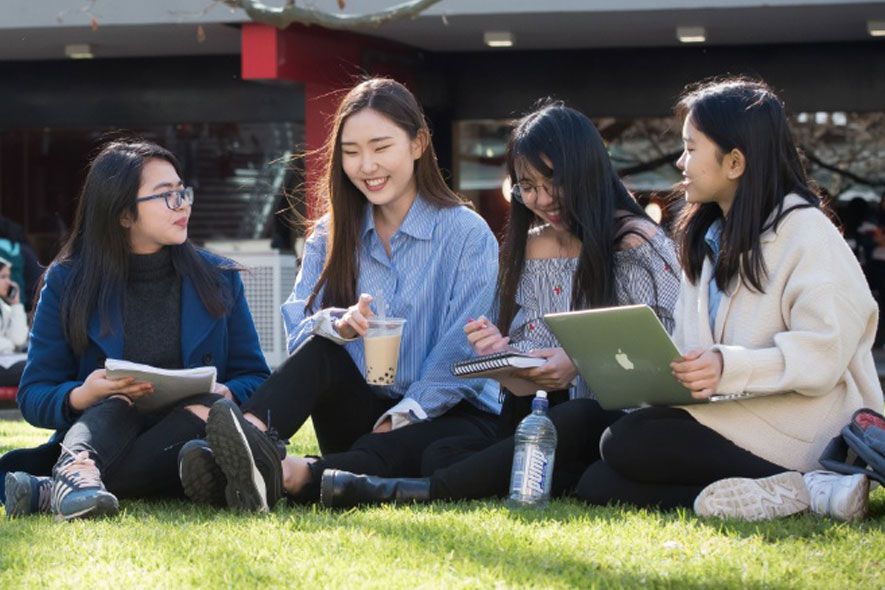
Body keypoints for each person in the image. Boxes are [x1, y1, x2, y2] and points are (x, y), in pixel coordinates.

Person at [317, 102, 681, 507]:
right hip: (537, 416)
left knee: (579, 416)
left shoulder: (635, 243)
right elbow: (528, 379)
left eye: (552, 182)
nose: (541, 199)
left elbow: (661, 360)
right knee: (444, 451)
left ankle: (411, 491)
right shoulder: (531, 246)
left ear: (587, 170)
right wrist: (503, 357)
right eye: (527, 186)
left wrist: (579, 361)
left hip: (618, 422)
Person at [178, 77, 500, 511]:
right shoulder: (330, 233)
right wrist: (338, 325)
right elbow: (298, 338)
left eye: (381, 147)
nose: (366, 166)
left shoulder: (465, 233)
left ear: (419, 143)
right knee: (322, 349)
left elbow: (461, 353)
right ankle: (244, 441)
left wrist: (400, 418)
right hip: (359, 412)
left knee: (408, 451)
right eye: (351, 152)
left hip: (444, 415)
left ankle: (286, 474)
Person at [575, 78, 883, 522]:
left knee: (625, 443)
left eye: (690, 148)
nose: (680, 162)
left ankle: (813, 483)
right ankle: (799, 495)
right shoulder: (706, 239)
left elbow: (824, 354)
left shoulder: (808, 234)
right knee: (596, 478)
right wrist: (664, 374)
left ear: (735, 161)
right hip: (736, 418)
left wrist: (727, 366)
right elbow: (690, 347)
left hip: (805, 429)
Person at [1, 140, 270, 520]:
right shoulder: (67, 281)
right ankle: (77, 470)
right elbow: (34, 395)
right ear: (124, 214)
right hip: (103, 433)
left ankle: (52, 487)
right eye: (166, 196)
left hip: (184, 435)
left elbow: (256, 377)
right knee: (118, 403)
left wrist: (227, 389)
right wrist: (81, 395)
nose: (183, 205)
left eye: (183, 192)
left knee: (212, 408)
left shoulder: (219, 278)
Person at [0, 256, 29, 386]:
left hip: (5, 361)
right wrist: (9, 345)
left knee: (41, 362)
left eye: (9, 277)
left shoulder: (4, 308)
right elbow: (12, 344)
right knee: (34, 368)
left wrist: (16, 304)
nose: (9, 283)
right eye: (3, 277)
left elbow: (19, 340)